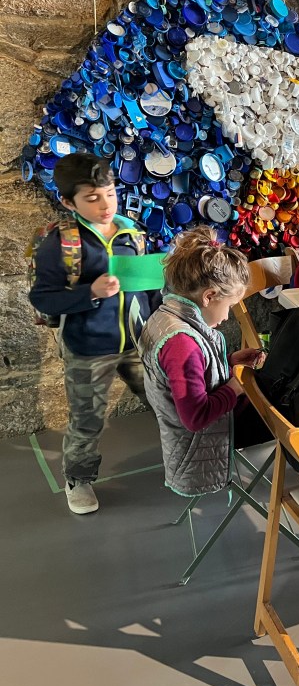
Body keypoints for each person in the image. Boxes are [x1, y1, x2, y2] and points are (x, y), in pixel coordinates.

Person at [29, 153, 156, 515]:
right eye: (92, 198)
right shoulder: (61, 243)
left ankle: (187, 458)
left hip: (138, 341)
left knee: (164, 400)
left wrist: (158, 322)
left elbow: (149, 288)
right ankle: (78, 479)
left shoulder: (131, 232)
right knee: (87, 419)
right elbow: (42, 298)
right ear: (69, 202)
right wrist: (91, 293)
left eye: (110, 193)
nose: (105, 205)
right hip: (87, 347)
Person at [139, 228, 267, 497]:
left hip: (190, 436)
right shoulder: (182, 343)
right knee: (291, 412)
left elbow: (190, 375)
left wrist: (229, 361)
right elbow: (196, 417)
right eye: (229, 306)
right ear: (208, 296)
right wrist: (236, 385)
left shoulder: (165, 317)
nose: (227, 316)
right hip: (200, 441)